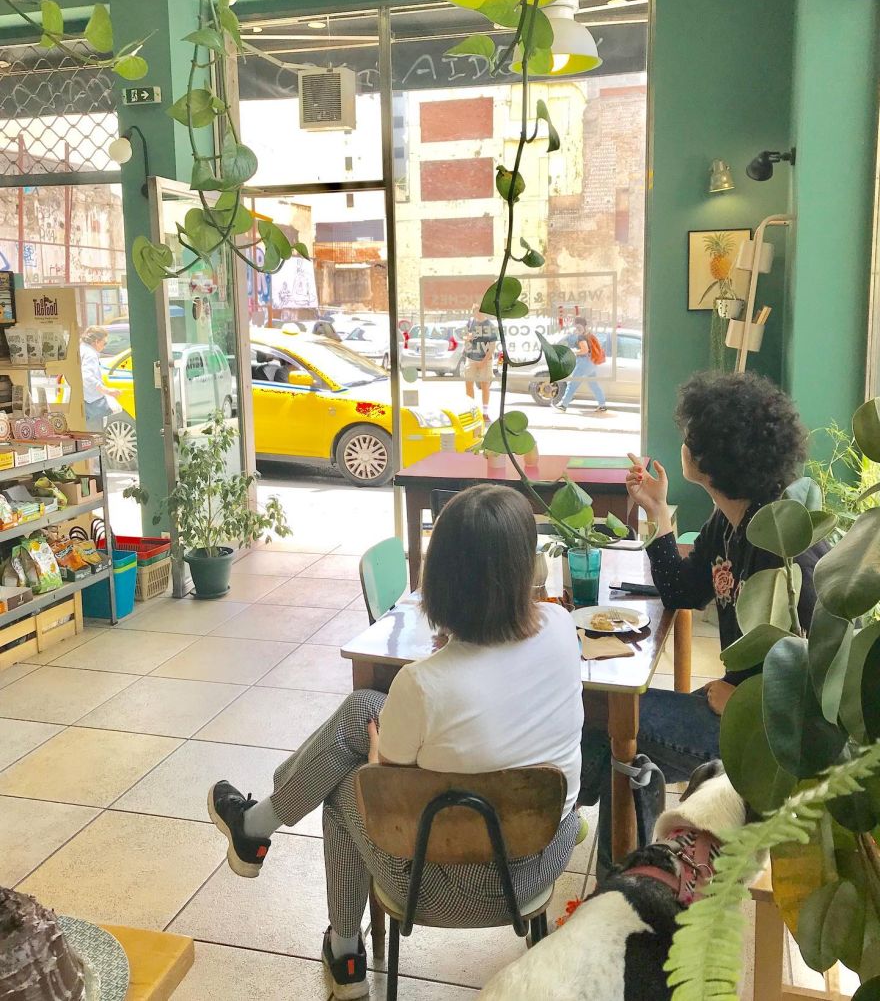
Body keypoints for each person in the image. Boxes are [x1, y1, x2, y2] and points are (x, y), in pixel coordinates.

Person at [208, 485, 584, 999]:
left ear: (440, 575)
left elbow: (387, 782)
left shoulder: (423, 684)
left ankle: (342, 952)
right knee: (363, 708)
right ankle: (256, 825)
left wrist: (375, 755)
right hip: (538, 864)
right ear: (523, 571)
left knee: (343, 787)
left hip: (438, 887)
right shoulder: (562, 628)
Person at [580, 371, 827, 875]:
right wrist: (657, 510)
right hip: (731, 709)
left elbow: (822, 675)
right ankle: (633, 873)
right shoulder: (731, 520)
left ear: (711, 460)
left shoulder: (784, 548)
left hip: (765, 740)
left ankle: (620, 871)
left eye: (690, 435)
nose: (683, 443)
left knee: (611, 721)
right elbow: (682, 591)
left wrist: (746, 701)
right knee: (614, 729)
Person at [554, 317, 606, 413]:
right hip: (591, 363)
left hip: (583, 363)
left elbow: (584, 350)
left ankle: (563, 405)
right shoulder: (589, 335)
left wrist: (573, 352)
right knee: (594, 384)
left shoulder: (581, 337)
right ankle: (602, 405)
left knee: (572, 384)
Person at [79, 326, 120, 431]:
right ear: (96, 341)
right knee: (95, 435)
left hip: (81, 401)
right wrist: (107, 390)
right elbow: (87, 377)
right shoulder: (90, 354)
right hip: (91, 402)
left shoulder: (81, 349)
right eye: (104, 343)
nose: (104, 346)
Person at [463, 307, 499, 421]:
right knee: (468, 384)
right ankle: (471, 412)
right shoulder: (470, 322)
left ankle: (485, 413)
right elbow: (464, 336)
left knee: (485, 386)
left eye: (478, 310)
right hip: (471, 358)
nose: (476, 313)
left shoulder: (490, 326)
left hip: (486, 359)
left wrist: (483, 362)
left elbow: (492, 347)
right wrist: (467, 338)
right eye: (474, 311)